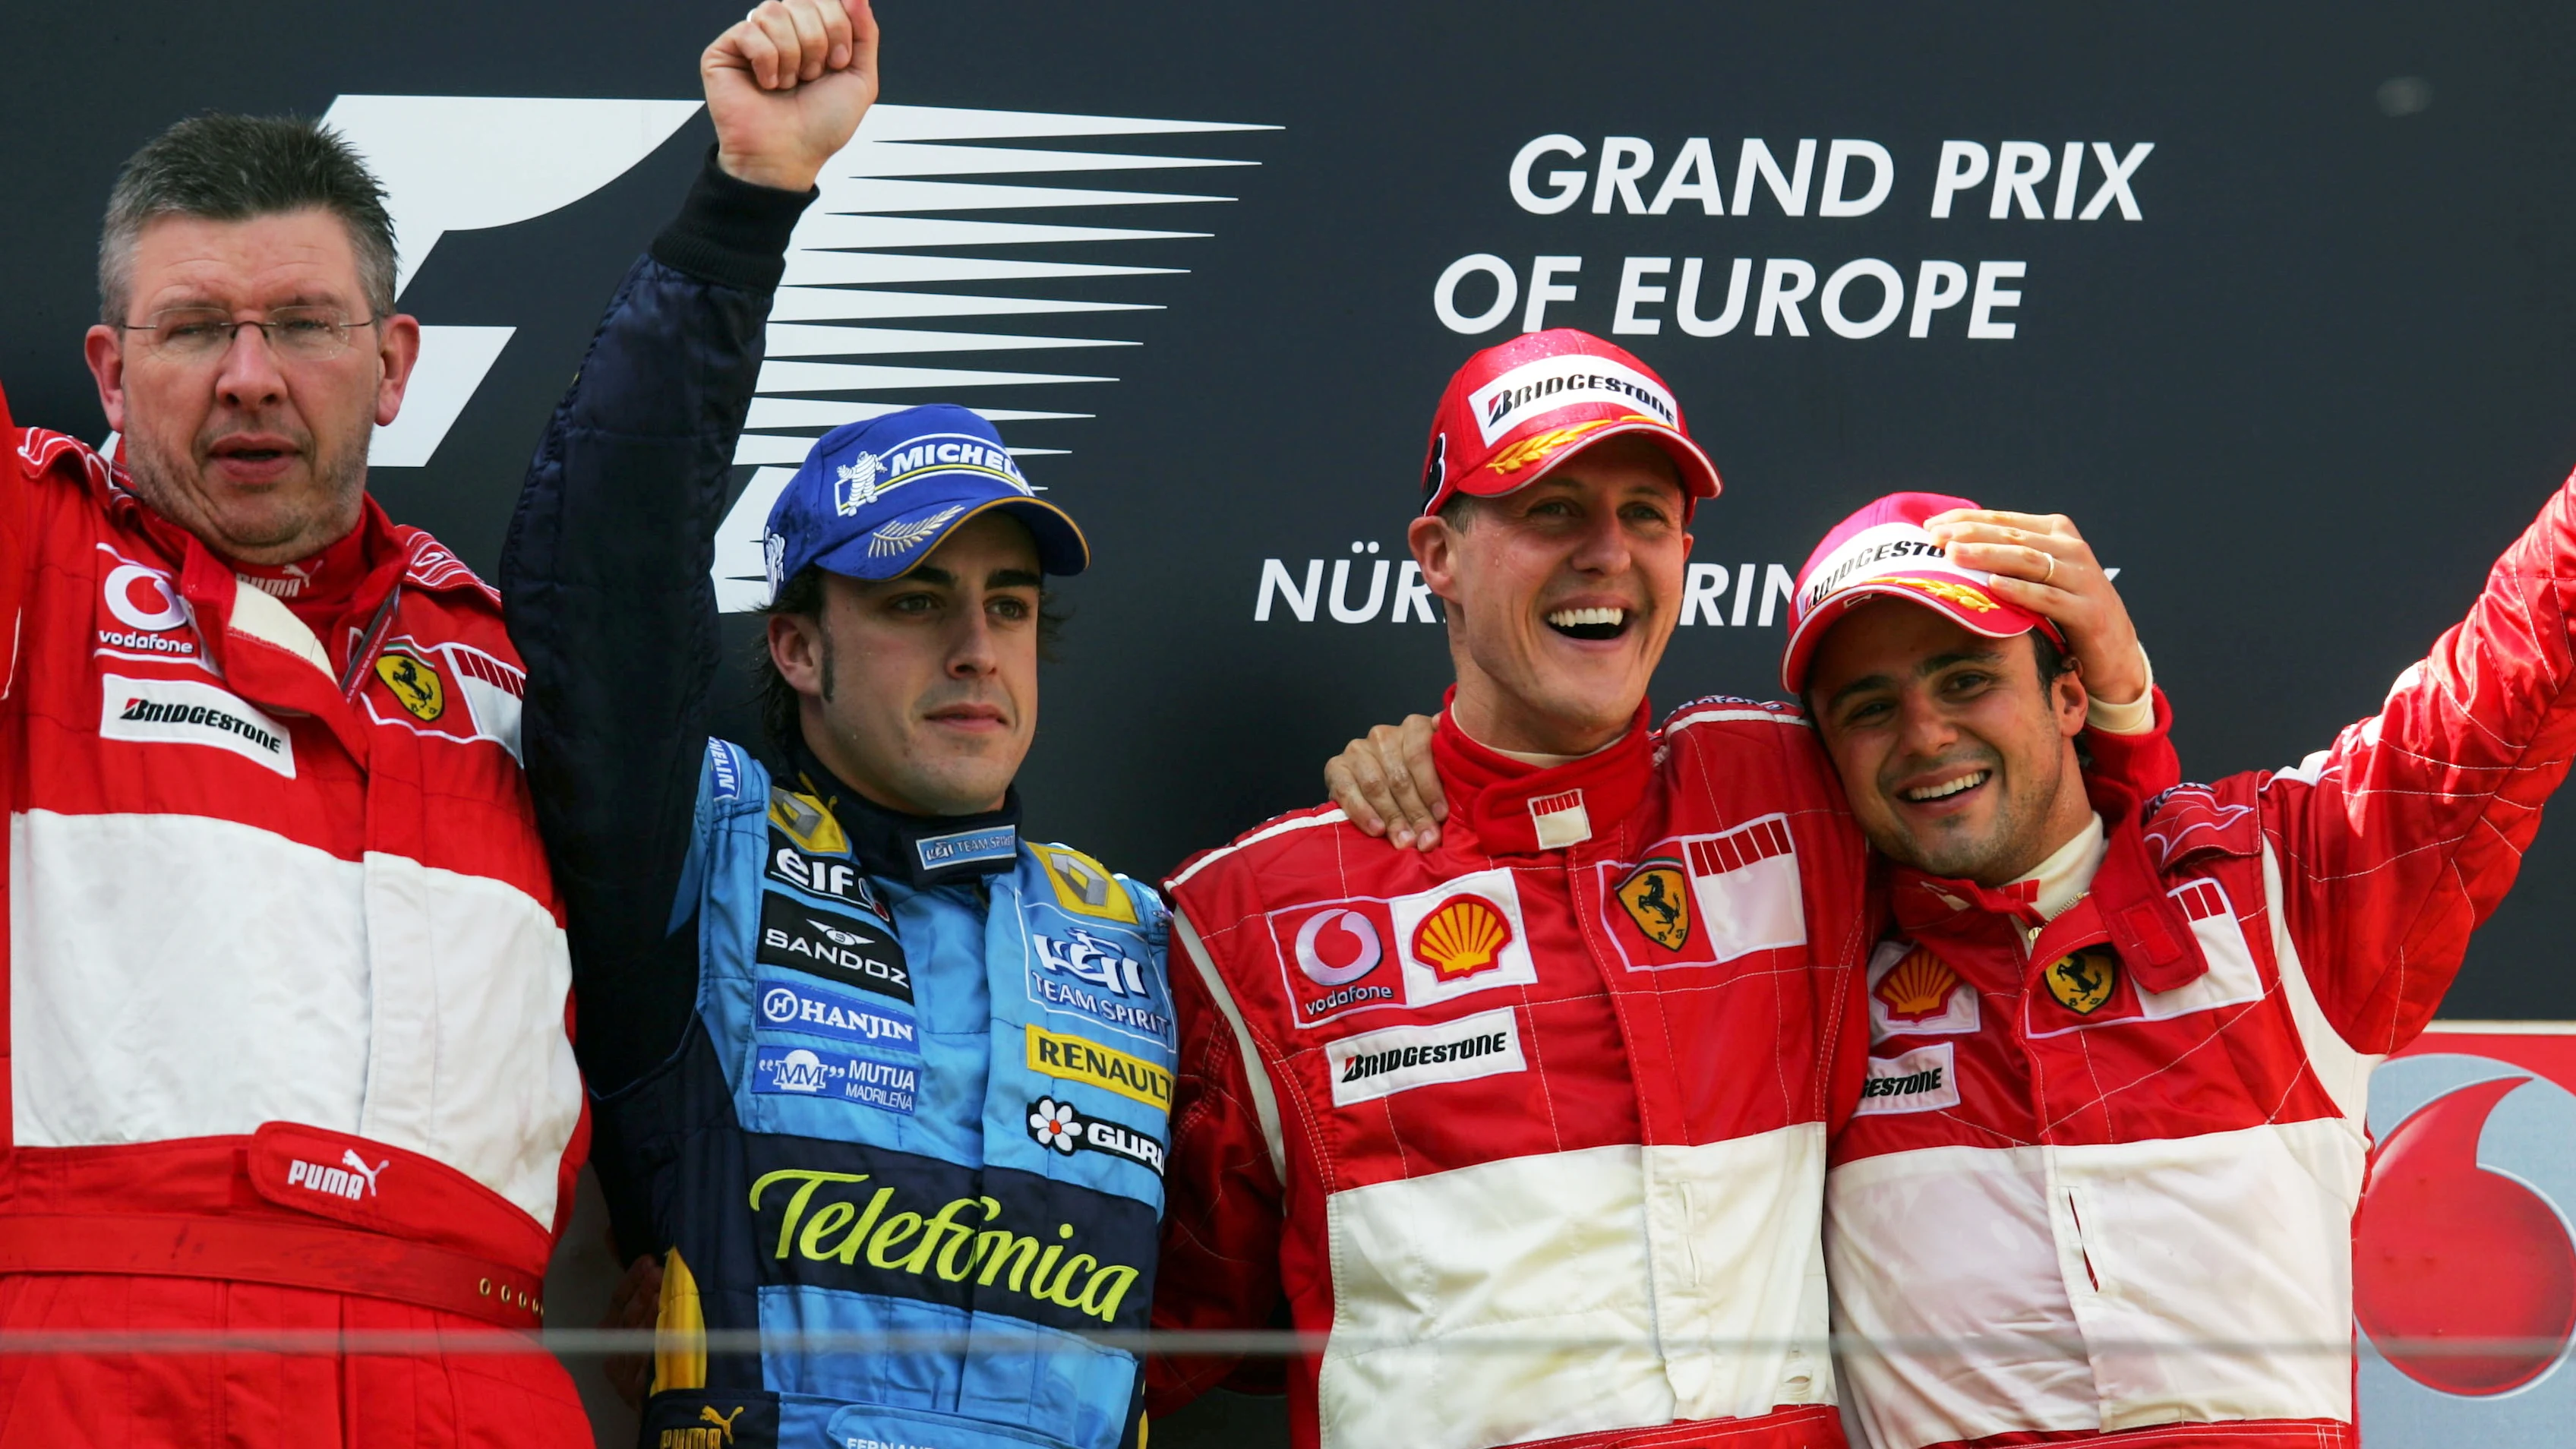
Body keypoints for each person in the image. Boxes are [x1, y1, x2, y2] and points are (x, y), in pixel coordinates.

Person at [1147, 327, 2174, 1449]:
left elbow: (2054, 866)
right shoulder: (1254, 913)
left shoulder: (1793, 787)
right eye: (1552, 511)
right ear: (1438, 553)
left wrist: (2120, 698)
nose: (1608, 553)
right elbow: (1192, 1327)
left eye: (1647, 514)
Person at [499, 6, 1176, 1447]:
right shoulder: (702, 856)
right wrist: (748, 204)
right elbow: (604, 580)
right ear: (796, 645)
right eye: (916, 599)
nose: (975, 644)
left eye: (1007, 604)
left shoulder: (1137, 936)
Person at [0, 87, 592, 1449]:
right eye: (194, 327)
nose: (250, 375)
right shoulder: (40, 550)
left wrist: (748, 197)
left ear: (392, 363)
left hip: (468, 1365)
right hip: (94, 1359)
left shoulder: (517, 666)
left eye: (303, 326)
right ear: (107, 372)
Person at [1786, 481, 2576, 1447]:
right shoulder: (1796, 981)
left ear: (2070, 693)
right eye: (1870, 707)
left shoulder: (2280, 884)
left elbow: (2517, 662)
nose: (1924, 735)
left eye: (1964, 679)